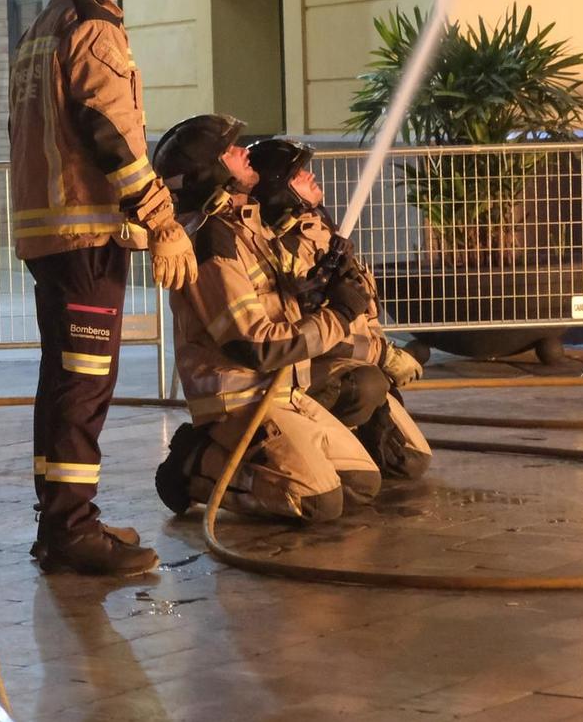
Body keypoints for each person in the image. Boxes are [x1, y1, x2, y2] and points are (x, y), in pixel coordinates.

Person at [8, 0, 195, 576]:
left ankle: (61, 519)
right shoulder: (91, 26)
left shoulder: (45, 27)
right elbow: (112, 130)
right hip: (86, 234)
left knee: (64, 380)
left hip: (57, 234)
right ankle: (70, 530)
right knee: (84, 383)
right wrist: (163, 220)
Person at [151, 115, 384, 524]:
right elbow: (256, 345)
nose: (245, 153)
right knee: (318, 502)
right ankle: (196, 463)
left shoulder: (246, 229)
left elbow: (278, 307)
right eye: (229, 151)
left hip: (284, 393)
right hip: (240, 402)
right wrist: (341, 313)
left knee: (362, 483)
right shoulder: (210, 239)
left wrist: (320, 290)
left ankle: (263, 459)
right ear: (211, 173)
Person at [245, 137, 432, 481]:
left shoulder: (319, 230)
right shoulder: (282, 249)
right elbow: (315, 331)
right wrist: (382, 356)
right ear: (277, 187)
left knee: (411, 461)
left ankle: (351, 437)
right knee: (368, 385)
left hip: (347, 362)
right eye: (299, 173)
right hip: (300, 375)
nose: (311, 176)